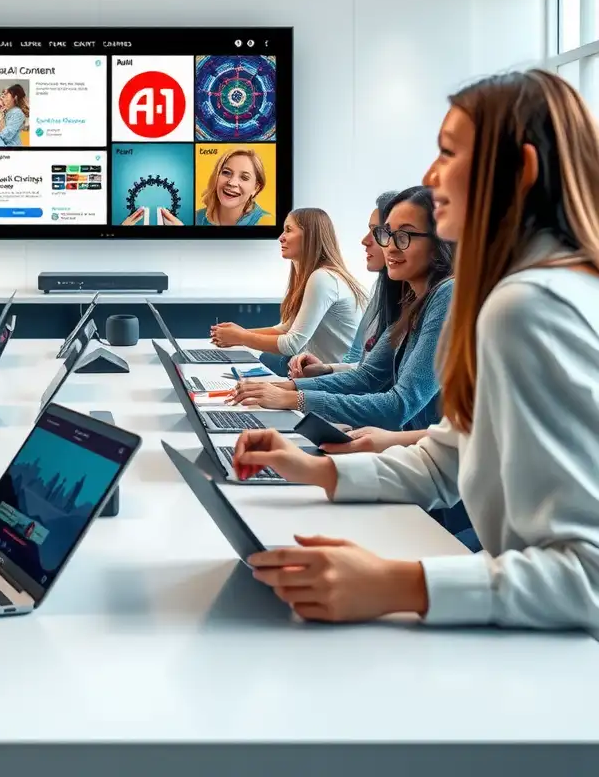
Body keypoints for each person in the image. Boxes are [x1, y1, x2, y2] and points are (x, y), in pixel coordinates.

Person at [232, 69, 599, 629]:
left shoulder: (528, 308)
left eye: (448, 153)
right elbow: (445, 460)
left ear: (520, 171)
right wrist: (312, 469)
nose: (430, 175)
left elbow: (588, 577)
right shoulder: (520, 292)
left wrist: (395, 583)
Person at [227, 187, 453, 434]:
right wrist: (285, 388)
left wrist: (294, 398)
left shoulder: (447, 295)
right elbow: (366, 377)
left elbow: (398, 407)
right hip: (400, 443)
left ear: (441, 240)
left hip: (425, 457)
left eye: (405, 235)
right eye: (387, 234)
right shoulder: (413, 299)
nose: (389, 246)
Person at [210, 208, 365, 365]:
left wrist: (241, 337)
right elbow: (286, 329)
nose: (281, 238)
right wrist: (238, 333)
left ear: (310, 236)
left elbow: (292, 344)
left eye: (288, 230)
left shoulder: (323, 278)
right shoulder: (316, 277)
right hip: (318, 374)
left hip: (332, 380)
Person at [288, 190, 402, 378]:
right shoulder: (382, 290)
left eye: (378, 232)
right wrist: (328, 369)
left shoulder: (323, 277)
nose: (365, 240)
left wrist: (297, 394)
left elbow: (384, 391)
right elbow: (362, 363)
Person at [191, 148, 270, 226]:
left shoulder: (268, 223)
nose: (232, 183)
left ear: (256, 188)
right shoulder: (195, 218)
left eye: (244, 177)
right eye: (226, 172)